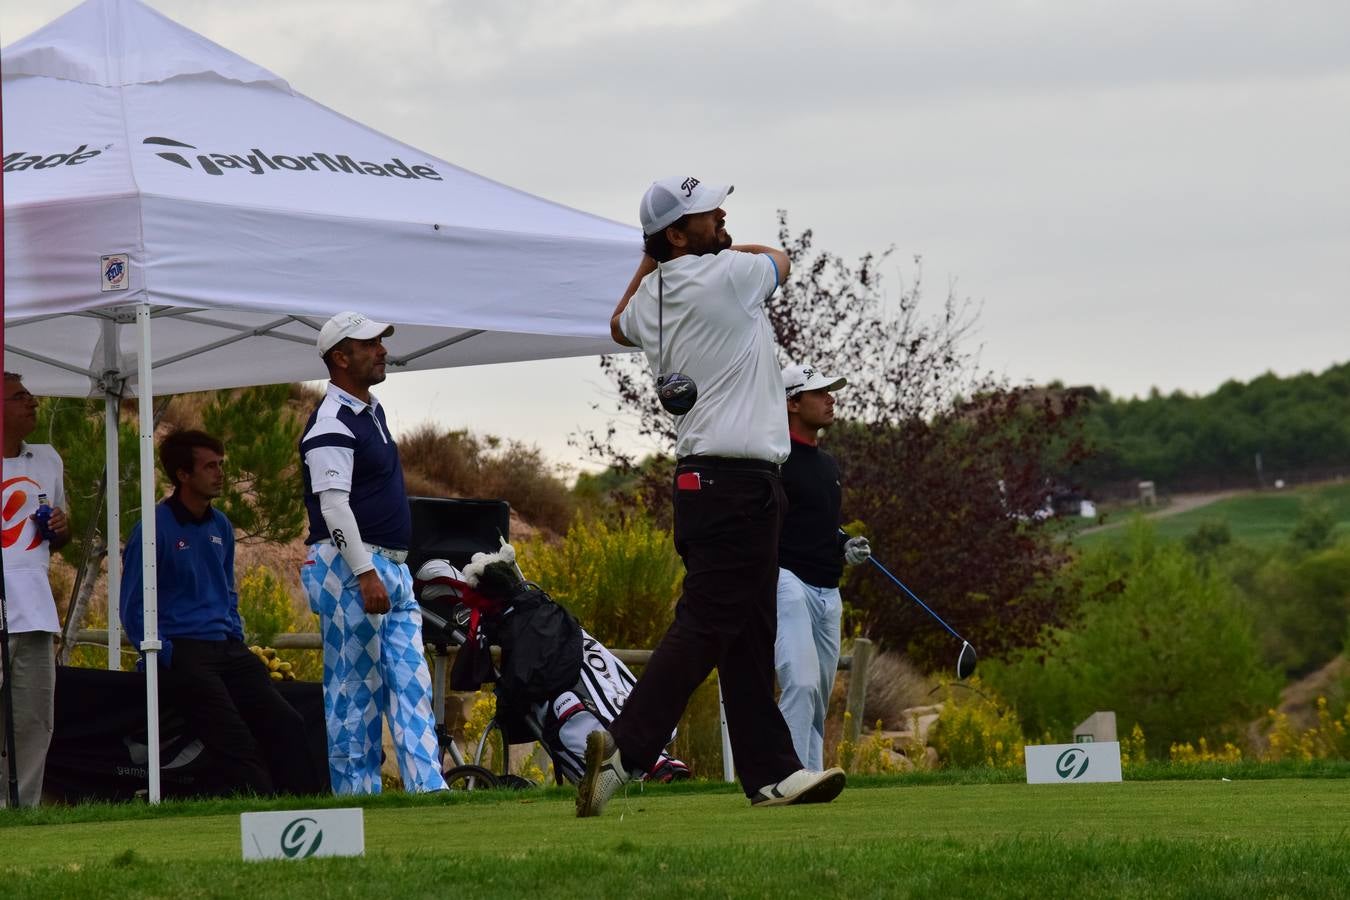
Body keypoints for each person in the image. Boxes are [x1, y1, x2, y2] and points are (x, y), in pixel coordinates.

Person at [577, 176, 846, 816]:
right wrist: (704, 250)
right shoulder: (729, 275)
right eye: (705, 214)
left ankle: (772, 774)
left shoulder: (653, 299)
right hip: (740, 484)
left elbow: (617, 325)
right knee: (706, 625)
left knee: (748, 636)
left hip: (706, 483)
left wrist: (658, 256)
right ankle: (625, 748)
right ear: (677, 233)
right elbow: (781, 259)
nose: (722, 216)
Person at [121, 429, 322, 797]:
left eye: (221, 465)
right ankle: (264, 818)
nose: (220, 473)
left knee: (288, 722)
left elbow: (227, 591)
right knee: (236, 741)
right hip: (184, 652)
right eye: (210, 466)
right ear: (183, 475)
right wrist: (167, 654)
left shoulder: (221, 526)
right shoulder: (152, 530)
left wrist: (235, 635)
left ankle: (311, 810)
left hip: (227, 649)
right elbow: (131, 608)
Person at [298, 311, 446, 795]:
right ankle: (355, 799)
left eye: (380, 341)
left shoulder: (369, 412)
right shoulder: (330, 423)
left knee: (412, 684)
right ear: (340, 358)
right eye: (369, 344)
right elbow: (334, 508)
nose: (382, 350)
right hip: (351, 570)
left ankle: (429, 792)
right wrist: (365, 573)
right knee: (353, 692)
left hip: (389, 569)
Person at [775, 362, 871, 770]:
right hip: (787, 581)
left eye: (831, 391)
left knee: (818, 693)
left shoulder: (828, 466)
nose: (831, 399)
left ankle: (811, 775)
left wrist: (845, 543)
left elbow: (819, 526)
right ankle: (789, 773)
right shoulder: (773, 461)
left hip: (828, 590)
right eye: (820, 393)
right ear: (792, 403)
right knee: (798, 681)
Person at [0, 373, 71, 807]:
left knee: (32, 724)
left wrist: (62, 527)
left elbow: (56, 537)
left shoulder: (47, 459)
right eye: (20, 396)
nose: (33, 402)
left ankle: (22, 817)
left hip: (36, 611)